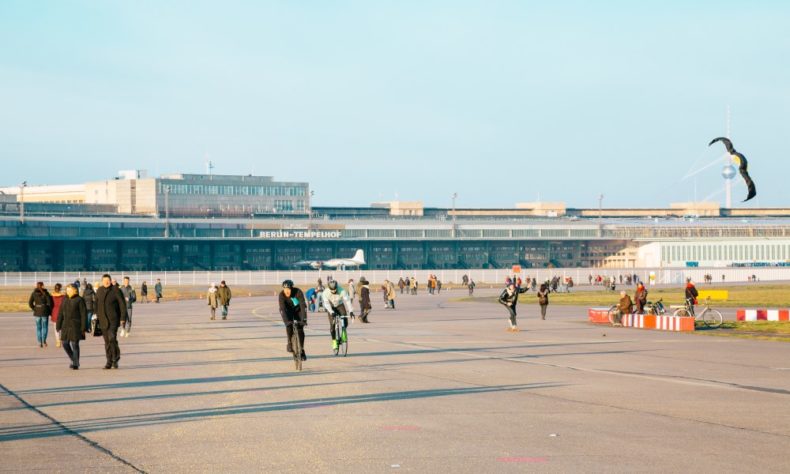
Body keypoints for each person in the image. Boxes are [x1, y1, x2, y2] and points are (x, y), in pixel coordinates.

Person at [95, 274, 128, 369]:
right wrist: (95, 314)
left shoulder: (115, 290)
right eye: (104, 280)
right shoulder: (100, 290)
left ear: (110, 281)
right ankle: (109, 361)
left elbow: (122, 304)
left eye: (108, 280)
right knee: (107, 342)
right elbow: (96, 304)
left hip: (113, 319)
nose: (106, 282)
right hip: (102, 320)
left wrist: (123, 318)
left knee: (112, 338)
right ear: (102, 281)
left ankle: (115, 359)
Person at [56, 284, 87, 370]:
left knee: (75, 344)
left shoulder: (79, 300)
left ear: (74, 290)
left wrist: (84, 328)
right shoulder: (65, 299)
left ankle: (75, 364)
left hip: (76, 325)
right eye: (67, 290)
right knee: (65, 343)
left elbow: (83, 315)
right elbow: (60, 313)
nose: (67, 291)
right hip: (65, 325)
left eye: (69, 290)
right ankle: (73, 359)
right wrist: (58, 325)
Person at [322, 280, 354, 351]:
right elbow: (326, 304)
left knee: (345, 319)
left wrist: (351, 311)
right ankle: (334, 341)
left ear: (337, 287)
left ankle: (343, 333)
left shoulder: (342, 290)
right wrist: (331, 312)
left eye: (335, 290)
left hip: (339, 304)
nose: (334, 291)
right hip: (330, 306)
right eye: (332, 290)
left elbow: (348, 301)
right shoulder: (325, 293)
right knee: (332, 325)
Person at [279, 280, 307, 361]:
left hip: (298, 310)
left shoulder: (298, 292)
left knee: (300, 328)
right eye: (285, 289)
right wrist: (286, 321)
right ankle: (289, 343)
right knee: (289, 325)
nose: (287, 291)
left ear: (292, 288)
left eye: (289, 289)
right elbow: (282, 309)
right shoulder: (281, 295)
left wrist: (304, 319)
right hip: (288, 311)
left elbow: (302, 305)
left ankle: (301, 349)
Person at [29, 282, 53, 348]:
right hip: (45, 311)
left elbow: (30, 303)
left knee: (38, 328)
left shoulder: (34, 293)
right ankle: (44, 341)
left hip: (37, 311)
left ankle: (40, 342)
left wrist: (35, 308)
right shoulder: (46, 293)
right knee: (45, 327)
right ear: (43, 286)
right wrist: (49, 311)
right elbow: (50, 303)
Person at [50, 283, 65, 348]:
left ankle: (58, 341)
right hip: (62, 312)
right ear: (60, 288)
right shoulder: (63, 296)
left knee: (56, 328)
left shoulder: (52, 296)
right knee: (62, 327)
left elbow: (50, 305)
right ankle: (62, 339)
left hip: (55, 312)